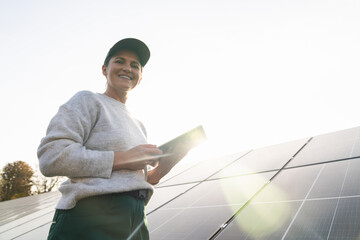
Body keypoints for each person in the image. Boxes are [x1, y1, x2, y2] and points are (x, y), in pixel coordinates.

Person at [37, 38, 187, 240]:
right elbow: (51, 157)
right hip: (90, 218)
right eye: (119, 61)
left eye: (135, 65)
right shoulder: (88, 100)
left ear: (140, 77)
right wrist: (125, 157)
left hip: (136, 218)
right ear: (104, 69)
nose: (127, 68)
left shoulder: (139, 124)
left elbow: (125, 180)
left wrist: (161, 170)